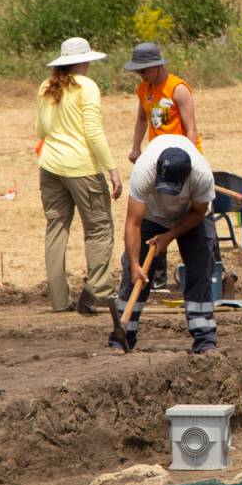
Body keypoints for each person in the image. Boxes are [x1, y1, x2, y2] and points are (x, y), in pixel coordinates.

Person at [38, 37, 122, 314]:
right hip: (81, 167)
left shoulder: (46, 87)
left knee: (56, 228)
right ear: (83, 61)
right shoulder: (87, 86)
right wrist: (112, 168)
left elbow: (42, 129)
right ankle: (99, 291)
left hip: (49, 166)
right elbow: (93, 131)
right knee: (99, 228)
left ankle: (59, 299)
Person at [113, 134, 217, 353]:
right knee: (135, 274)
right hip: (152, 215)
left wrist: (169, 236)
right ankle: (122, 337)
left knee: (200, 270)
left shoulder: (202, 175)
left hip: (192, 215)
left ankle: (205, 339)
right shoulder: (144, 170)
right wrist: (134, 264)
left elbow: (199, 212)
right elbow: (132, 223)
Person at [125, 41, 200, 158]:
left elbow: (191, 129)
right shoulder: (143, 88)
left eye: (143, 70)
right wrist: (135, 148)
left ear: (157, 65)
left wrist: (189, 158)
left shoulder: (178, 88)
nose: (140, 74)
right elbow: (142, 119)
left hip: (181, 152)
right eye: (137, 71)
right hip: (158, 153)